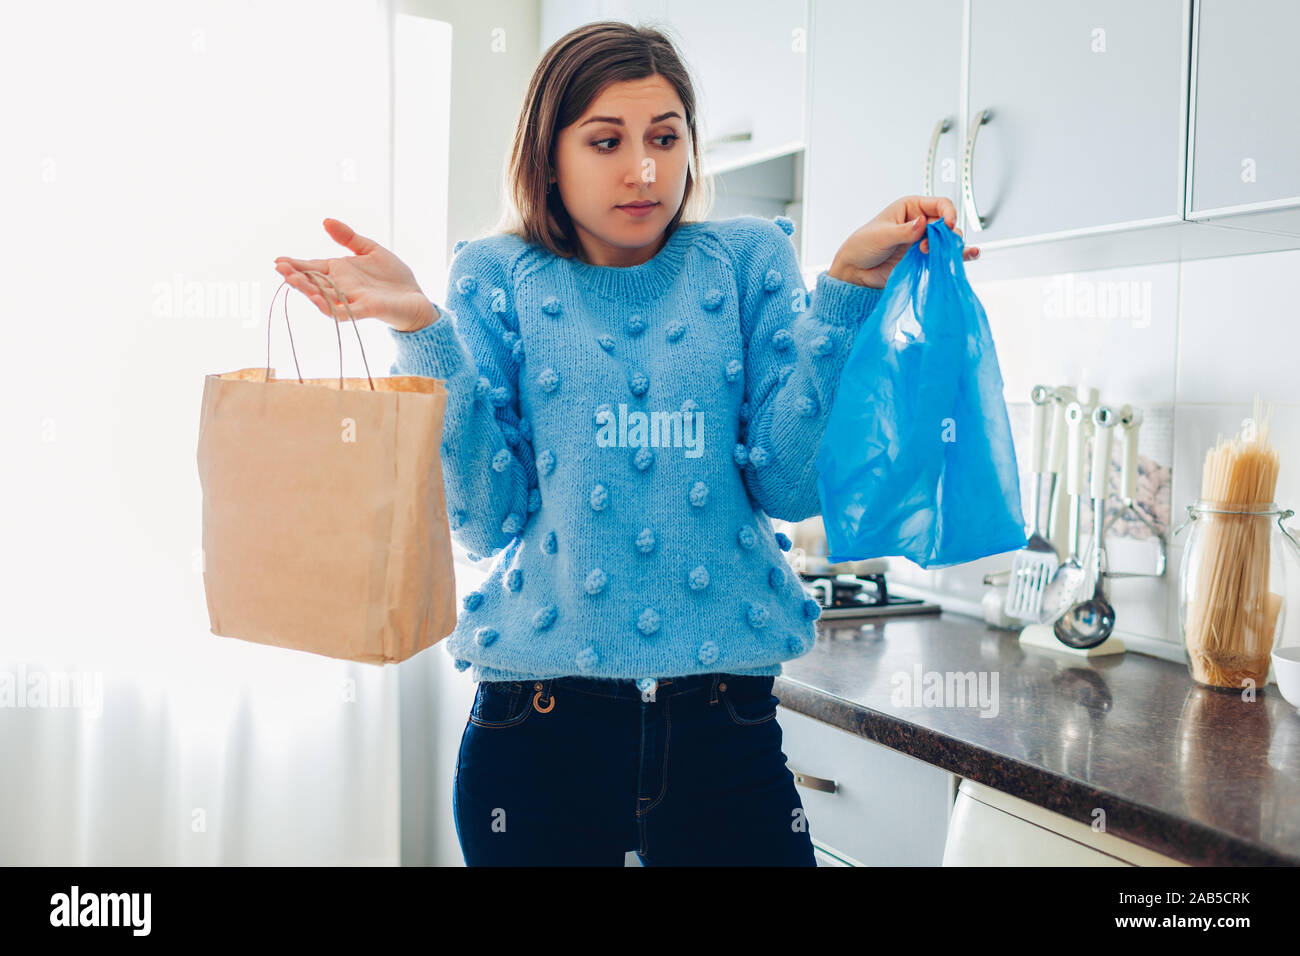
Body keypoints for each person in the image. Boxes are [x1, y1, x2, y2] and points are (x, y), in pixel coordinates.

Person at [273, 20, 978, 866]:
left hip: (728, 731)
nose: (643, 170)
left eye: (665, 137)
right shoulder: (495, 276)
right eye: (606, 141)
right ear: (549, 155)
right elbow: (484, 521)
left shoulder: (747, 259)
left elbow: (791, 485)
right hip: (537, 739)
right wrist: (424, 330)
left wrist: (849, 292)